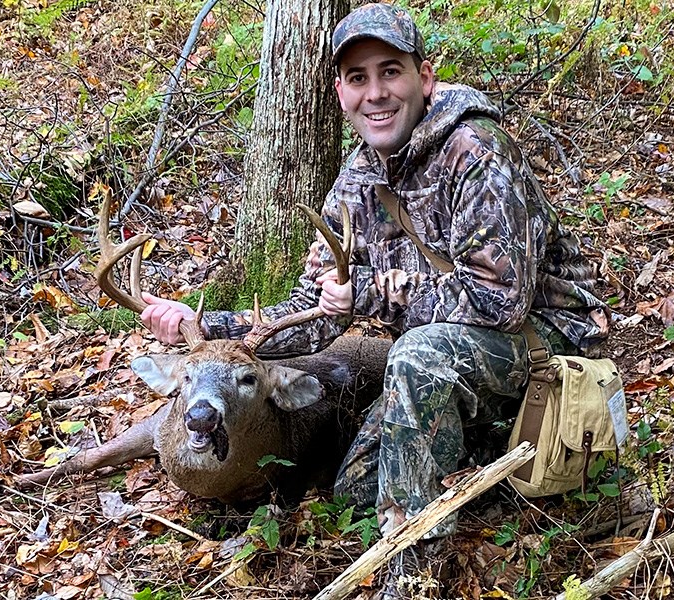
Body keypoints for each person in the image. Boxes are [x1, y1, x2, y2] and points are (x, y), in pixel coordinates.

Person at [140, 3, 609, 597]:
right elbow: (315, 309)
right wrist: (204, 325)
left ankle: (412, 574)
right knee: (357, 489)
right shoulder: (358, 180)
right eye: (358, 78)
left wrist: (367, 292)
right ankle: (483, 454)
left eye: (391, 71)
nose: (376, 92)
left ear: (425, 77)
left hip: (545, 347)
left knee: (417, 353)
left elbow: (501, 304)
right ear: (340, 92)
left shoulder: (476, 151)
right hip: (461, 361)